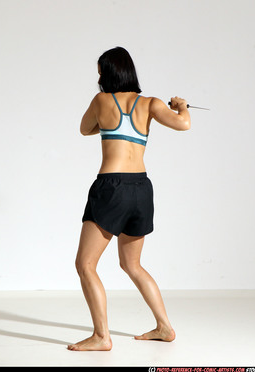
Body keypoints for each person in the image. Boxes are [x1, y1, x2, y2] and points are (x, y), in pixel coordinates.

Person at [67, 47, 191, 351]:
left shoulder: (101, 101)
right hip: (141, 188)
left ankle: (101, 336)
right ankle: (165, 327)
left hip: (111, 187)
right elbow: (183, 123)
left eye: (100, 72)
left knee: (85, 264)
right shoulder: (150, 104)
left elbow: (85, 129)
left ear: (108, 73)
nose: (98, 78)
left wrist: (105, 122)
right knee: (132, 264)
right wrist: (182, 106)